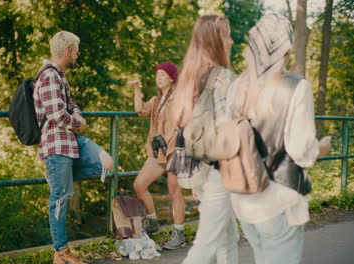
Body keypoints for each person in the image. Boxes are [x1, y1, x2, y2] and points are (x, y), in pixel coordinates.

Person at [226, 13, 331, 264]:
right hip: (278, 200)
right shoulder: (296, 87)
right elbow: (300, 151)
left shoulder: (237, 86)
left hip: (243, 198)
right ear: (286, 48)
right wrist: (321, 148)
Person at [33, 31, 113, 264]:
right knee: (60, 198)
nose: (78, 53)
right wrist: (79, 122)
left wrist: (76, 116)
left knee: (105, 163)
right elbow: (58, 115)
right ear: (68, 51)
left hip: (70, 142)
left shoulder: (60, 76)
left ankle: (57, 177)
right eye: (76, 49)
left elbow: (71, 105)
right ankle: (61, 253)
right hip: (56, 145)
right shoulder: (49, 76)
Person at [171, 15, 240, 264]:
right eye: (227, 35)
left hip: (194, 166)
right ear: (215, 41)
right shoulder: (222, 77)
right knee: (207, 243)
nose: (231, 41)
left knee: (227, 237)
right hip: (218, 169)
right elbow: (227, 130)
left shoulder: (191, 76)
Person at [128, 62, 186, 249]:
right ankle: (152, 221)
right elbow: (139, 109)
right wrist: (137, 89)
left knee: (174, 191)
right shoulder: (155, 100)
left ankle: (179, 233)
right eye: (157, 74)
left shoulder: (178, 97)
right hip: (157, 152)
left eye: (162, 74)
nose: (158, 77)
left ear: (171, 77)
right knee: (139, 184)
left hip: (174, 150)